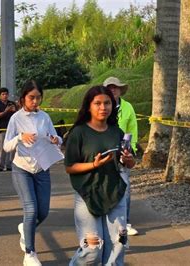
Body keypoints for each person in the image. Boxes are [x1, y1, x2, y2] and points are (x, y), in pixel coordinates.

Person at [64, 85, 135, 265]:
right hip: (87, 194)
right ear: (89, 106)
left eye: (107, 103)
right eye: (98, 103)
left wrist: (128, 159)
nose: (103, 107)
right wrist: (93, 165)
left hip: (114, 192)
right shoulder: (79, 132)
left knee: (118, 245)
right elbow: (70, 167)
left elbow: (130, 163)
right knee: (92, 250)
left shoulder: (116, 131)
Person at [3, 80, 63, 266]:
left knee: (43, 212)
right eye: (31, 98)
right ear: (23, 99)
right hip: (22, 169)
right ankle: (30, 253)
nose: (35, 101)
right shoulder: (16, 118)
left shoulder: (44, 117)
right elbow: (6, 146)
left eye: (38, 98)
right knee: (31, 209)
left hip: (42, 168)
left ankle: (25, 228)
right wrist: (20, 137)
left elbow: (57, 138)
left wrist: (56, 139)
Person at [103, 76, 139, 236]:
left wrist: (132, 149)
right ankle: (105, 218)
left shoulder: (128, 107)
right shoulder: (101, 106)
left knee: (125, 188)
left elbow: (132, 129)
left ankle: (125, 222)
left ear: (120, 90)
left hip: (123, 152)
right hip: (104, 153)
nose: (113, 90)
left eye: (115, 87)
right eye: (109, 87)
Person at [0, 87, 17, 172]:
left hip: (12, 128)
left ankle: (9, 164)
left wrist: (14, 110)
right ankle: (0, 165)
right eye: (3, 94)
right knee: (1, 147)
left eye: (6, 94)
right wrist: (6, 111)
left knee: (12, 148)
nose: (5, 96)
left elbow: (17, 114)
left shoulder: (11, 103)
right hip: (1, 128)